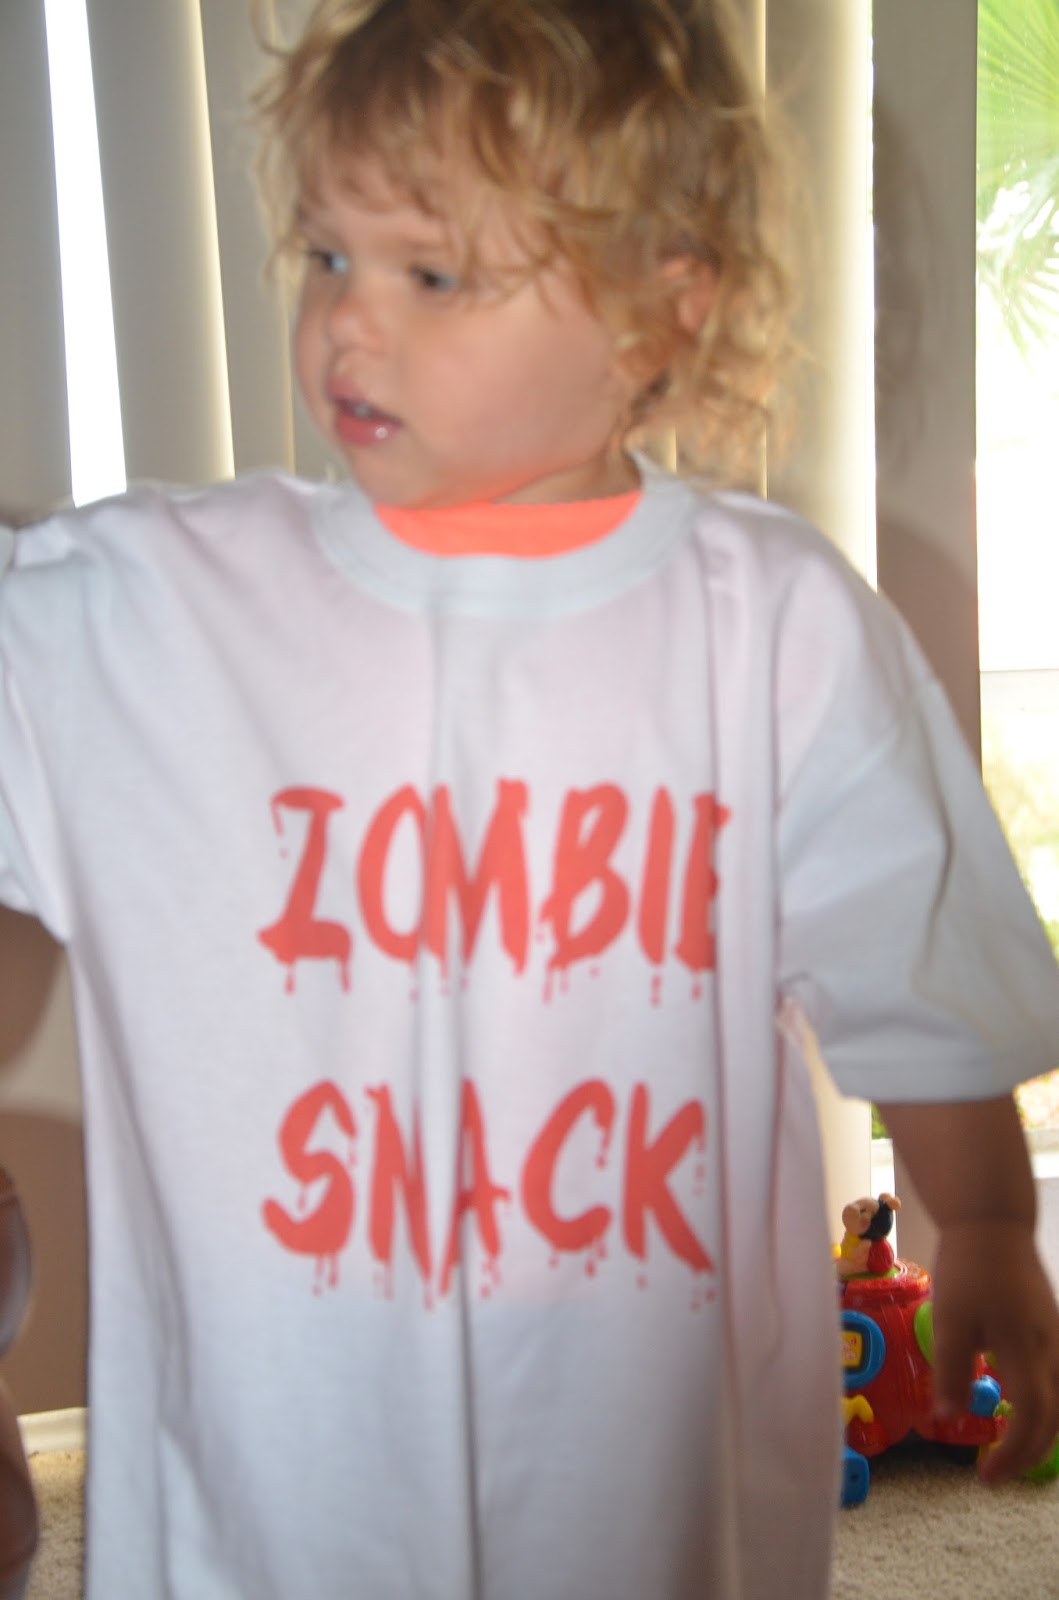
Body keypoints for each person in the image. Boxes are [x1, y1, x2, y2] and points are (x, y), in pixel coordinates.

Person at [1, 1, 1058, 1595]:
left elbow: (918, 977)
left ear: (658, 306)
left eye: (431, 275)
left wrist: (980, 1226)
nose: (348, 325)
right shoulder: (160, 613)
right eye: (327, 254)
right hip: (280, 1483)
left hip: (629, 1466)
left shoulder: (765, 627)